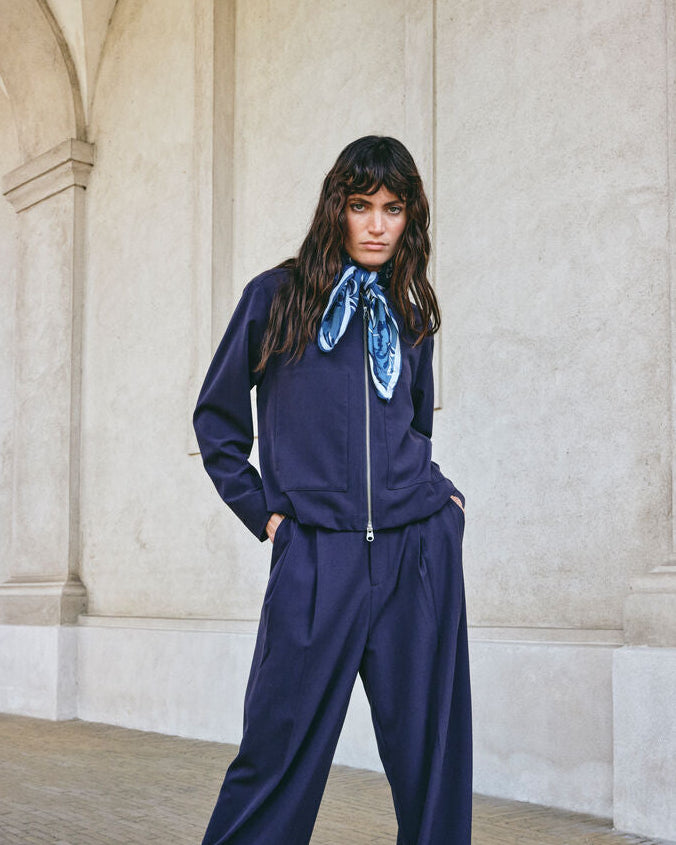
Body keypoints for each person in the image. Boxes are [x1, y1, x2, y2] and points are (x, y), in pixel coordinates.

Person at [193, 135, 472, 845]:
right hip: (317, 556)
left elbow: (414, 427)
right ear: (335, 209)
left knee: (433, 760)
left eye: (393, 209)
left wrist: (445, 508)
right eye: (361, 206)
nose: (377, 225)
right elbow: (216, 420)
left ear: (410, 218)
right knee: (276, 751)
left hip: (416, 555)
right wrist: (266, 516)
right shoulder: (276, 298)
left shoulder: (410, 315)